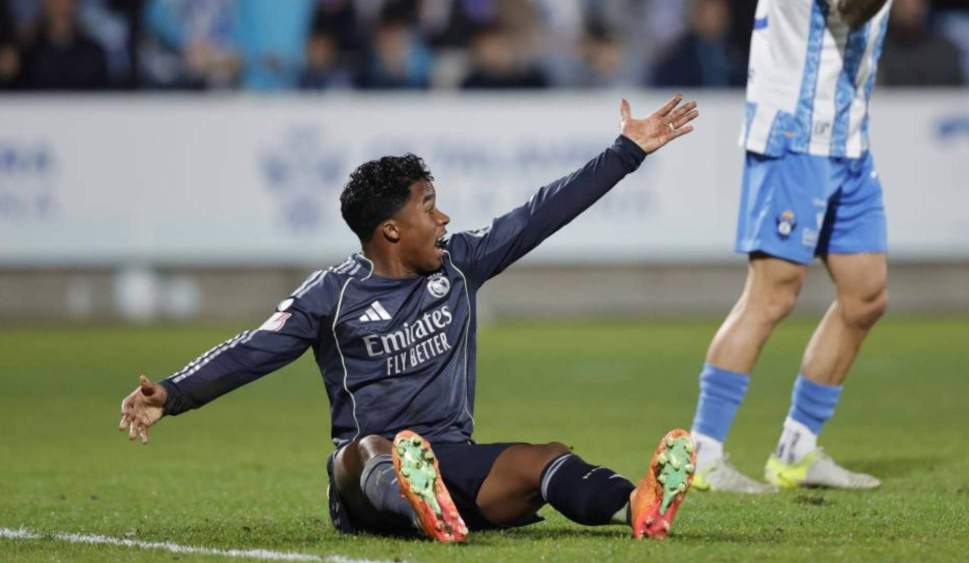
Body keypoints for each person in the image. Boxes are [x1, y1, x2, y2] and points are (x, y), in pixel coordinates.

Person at [118, 95, 701, 542]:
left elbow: (538, 215)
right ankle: (417, 499)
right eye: (429, 206)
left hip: (451, 463)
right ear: (391, 230)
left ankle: (637, 505)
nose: (443, 218)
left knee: (544, 458)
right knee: (364, 450)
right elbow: (254, 348)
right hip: (367, 487)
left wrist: (626, 152)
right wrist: (172, 391)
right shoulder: (332, 294)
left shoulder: (459, 266)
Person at [688, 0, 893, 493]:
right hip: (794, 135)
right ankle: (703, 453)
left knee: (865, 296)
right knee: (772, 294)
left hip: (848, 138)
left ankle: (797, 450)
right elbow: (851, 9)